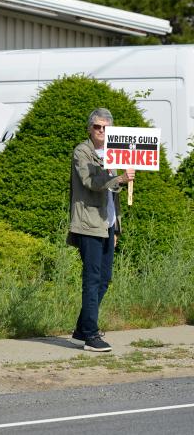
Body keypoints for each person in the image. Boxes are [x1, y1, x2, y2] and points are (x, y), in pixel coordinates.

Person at [68, 108, 134, 352]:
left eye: (106, 127)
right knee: (92, 279)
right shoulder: (82, 152)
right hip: (89, 224)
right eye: (97, 127)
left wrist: (115, 228)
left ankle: (80, 331)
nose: (102, 131)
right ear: (90, 128)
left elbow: (111, 193)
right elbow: (91, 182)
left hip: (107, 224)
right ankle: (91, 335)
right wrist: (118, 179)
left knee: (104, 278)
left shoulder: (115, 152)